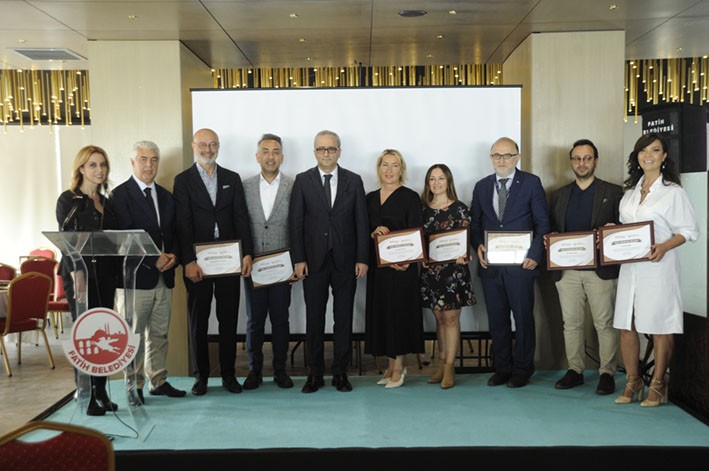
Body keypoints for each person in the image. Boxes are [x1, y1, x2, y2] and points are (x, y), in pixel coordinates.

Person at [613, 132, 698, 407]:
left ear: (664, 156)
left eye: (655, 150)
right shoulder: (629, 193)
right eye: (643, 150)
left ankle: (658, 385)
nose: (648, 155)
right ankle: (633, 381)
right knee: (626, 325)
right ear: (636, 156)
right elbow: (626, 229)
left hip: (659, 267)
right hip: (630, 268)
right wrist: (612, 234)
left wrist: (664, 246)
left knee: (661, 326)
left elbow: (689, 231)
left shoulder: (673, 192)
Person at [173, 128, 254, 396]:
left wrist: (247, 253)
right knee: (199, 320)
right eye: (203, 144)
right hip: (198, 264)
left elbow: (241, 217)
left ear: (218, 147)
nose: (208, 149)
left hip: (229, 261)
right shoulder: (183, 180)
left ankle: (229, 375)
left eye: (213, 144)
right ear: (194, 146)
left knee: (228, 319)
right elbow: (182, 224)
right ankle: (202, 377)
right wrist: (188, 260)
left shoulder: (232, 178)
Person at [289, 130, 369, 393]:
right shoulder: (303, 181)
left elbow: (361, 221)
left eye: (331, 149)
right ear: (314, 152)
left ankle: (340, 372)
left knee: (343, 318)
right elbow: (296, 223)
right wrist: (298, 259)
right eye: (321, 149)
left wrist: (362, 258)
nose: (326, 153)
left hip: (346, 261)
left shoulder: (354, 180)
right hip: (313, 262)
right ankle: (314, 373)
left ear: (339, 152)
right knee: (314, 318)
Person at [470, 137, 550, 388]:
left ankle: (523, 369)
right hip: (491, 268)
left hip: (522, 266)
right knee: (497, 320)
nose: (502, 160)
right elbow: (475, 224)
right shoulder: (481, 186)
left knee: (523, 319)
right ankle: (502, 368)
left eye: (507, 155)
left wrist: (535, 254)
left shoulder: (531, 183)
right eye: (497, 155)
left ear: (517, 157)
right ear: (491, 158)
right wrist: (478, 245)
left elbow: (542, 223)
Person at [111, 140, 185, 404]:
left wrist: (174, 255)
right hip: (135, 279)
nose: (149, 165)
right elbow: (122, 237)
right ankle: (134, 386)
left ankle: (158, 380)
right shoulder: (119, 196)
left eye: (154, 159)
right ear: (132, 162)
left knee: (159, 334)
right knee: (133, 336)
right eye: (143, 159)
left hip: (164, 276)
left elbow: (174, 232)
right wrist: (153, 259)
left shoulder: (165, 196)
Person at [547, 139, 622, 395]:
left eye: (587, 158)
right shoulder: (559, 195)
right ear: (571, 161)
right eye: (577, 158)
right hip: (566, 271)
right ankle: (575, 370)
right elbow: (551, 228)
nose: (582, 163)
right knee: (571, 324)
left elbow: (624, 228)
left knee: (605, 323)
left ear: (595, 161)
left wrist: (614, 229)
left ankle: (607, 373)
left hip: (600, 271)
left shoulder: (613, 192)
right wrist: (551, 238)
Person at [56, 145, 120, 416]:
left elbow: (115, 240)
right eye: (93, 165)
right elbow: (66, 241)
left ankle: (101, 390)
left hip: (105, 275)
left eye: (102, 164)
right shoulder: (69, 200)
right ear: (81, 168)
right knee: (85, 334)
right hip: (79, 275)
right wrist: (78, 273)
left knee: (104, 333)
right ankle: (85, 392)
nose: (99, 170)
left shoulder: (107, 202)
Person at [365, 149, 424, 389]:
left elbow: (417, 231)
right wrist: (373, 232)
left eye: (395, 165)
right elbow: (363, 229)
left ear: (402, 170)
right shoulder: (370, 198)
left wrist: (407, 260)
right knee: (383, 315)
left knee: (399, 315)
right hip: (379, 269)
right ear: (379, 168)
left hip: (402, 268)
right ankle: (390, 366)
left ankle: (399, 367)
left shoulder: (410, 197)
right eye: (385, 165)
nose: (389, 170)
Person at [241, 133, 295, 390]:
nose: (270, 156)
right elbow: (241, 223)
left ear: (282, 157)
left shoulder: (294, 186)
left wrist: (296, 262)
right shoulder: (245, 187)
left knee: (281, 320)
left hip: (283, 267)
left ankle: (280, 370)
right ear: (257, 156)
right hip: (253, 266)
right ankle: (254, 370)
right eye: (265, 151)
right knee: (255, 321)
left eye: (275, 151)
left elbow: (299, 226)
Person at [419, 163, 476, 389]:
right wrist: (421, 256)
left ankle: (450, 366)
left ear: (449, 181)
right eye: (432, 179)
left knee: (451, 319)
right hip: (432, 273)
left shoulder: (460, 209)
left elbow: (468, 239)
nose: (436, 183)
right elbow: (419, 242)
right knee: (440, 319)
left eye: (441, 178)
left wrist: (465, 255)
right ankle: (442, 364)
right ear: (427, 183)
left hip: (454, 273)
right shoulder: (423, 210)